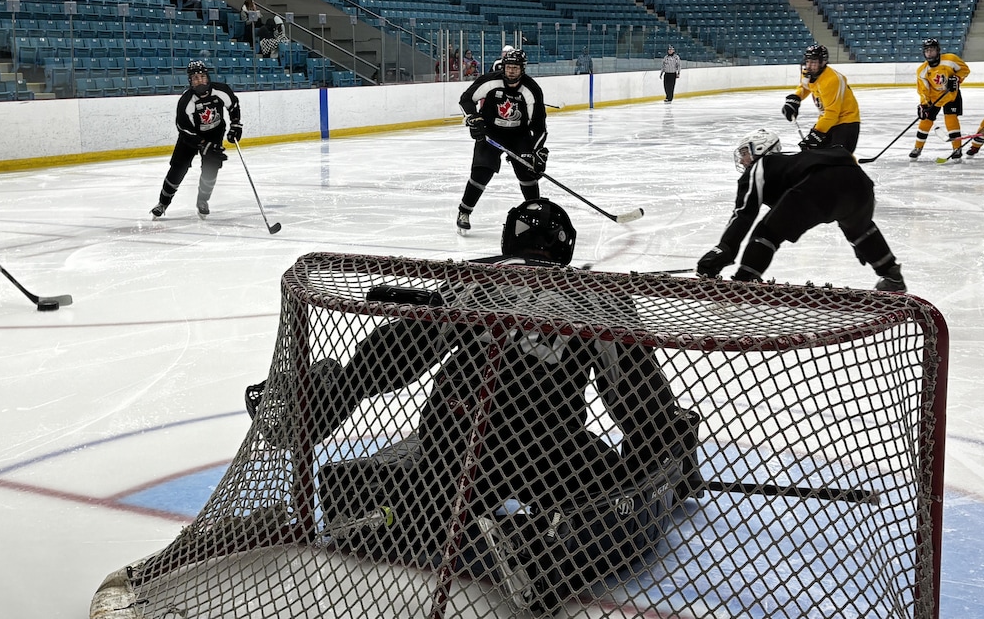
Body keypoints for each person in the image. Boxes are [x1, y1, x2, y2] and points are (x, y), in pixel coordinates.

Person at [246, 199, 700, 614]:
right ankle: (542, 551)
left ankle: (389, 510)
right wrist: (663, 450)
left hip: (454, 434)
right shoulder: (596, 296)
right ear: (564, 249)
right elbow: (636, 400)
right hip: (545, 444)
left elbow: (399, 354)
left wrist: (340, 391)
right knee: (619, 493)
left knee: (435, 477)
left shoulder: (472, 281)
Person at [697, 129, 906, 291]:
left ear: (759, 150)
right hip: (860, 182)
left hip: (821, 183)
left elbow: (744, 213)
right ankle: (892, 276)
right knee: (860, 229)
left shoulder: (760, 167)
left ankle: (745, 281)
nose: (742, 160)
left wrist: (724, 249)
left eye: (745, 152)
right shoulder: (794, 161)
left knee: (766, 233)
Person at [456, 48, 547, 235]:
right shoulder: (491, 81)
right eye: (508, 67)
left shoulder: (532, 90)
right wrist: (474, 119)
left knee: (527, 174)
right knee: (481, 173)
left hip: (519, 135)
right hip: (491, 133)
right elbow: (466, 99)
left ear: (523, 69)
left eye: (515, 67)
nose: (511, 71)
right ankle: (464, 212)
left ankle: (534, 212)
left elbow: (539, 128)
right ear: (503, 67)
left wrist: (537, 152)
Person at [149, 60, 242, 219]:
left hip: (214, 135)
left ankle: (202, 202)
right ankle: (163, 203)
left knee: (211, 169)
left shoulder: (221, 90)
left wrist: (236, 126)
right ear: (190, 81)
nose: (200, 80)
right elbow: (184, 129)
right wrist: (202, 144)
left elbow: (233, 106)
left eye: (202, 76)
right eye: (195, 78)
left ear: (207, 77)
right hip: (190, 138)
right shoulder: (186, 101)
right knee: (178, 169)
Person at [781, 43, 861, 153]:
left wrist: (817, 132)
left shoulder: (832, 80)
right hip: (828, 120)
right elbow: (805, 87)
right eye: (808, 61)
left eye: (813, 62)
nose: (809, 66)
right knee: (814, 153)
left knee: (839, 159)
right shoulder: (808, 72)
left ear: (823, 62)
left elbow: (832, 113)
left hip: (846, 122)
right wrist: (796, 98)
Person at [909, 38, 969, 160]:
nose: (929, 53)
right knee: (925, 121)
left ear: (938, 50)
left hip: (951, 95)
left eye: (932, 50)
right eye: (927, 51)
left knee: (951, 120)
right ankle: (918, 147)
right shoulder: (922, 71)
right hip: (934, 97)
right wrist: (924, 105)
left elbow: (965, 70)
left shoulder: (950, 60)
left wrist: (956, 79)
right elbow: (923, 90)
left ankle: (957, 148)